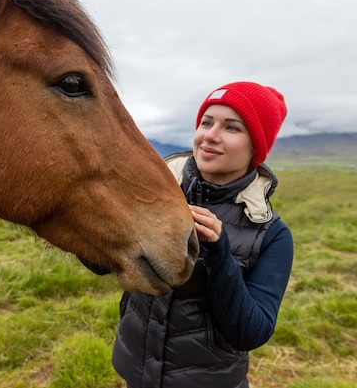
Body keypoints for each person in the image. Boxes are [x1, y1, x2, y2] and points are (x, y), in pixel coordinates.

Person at [112, 81, 294, 388]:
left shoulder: (272, 234)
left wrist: (220, 254)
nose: (210, 134)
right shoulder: (154, 198)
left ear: (256, 147)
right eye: (206, 123)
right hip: (137, 374)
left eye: (232, 128)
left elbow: (251, 333)